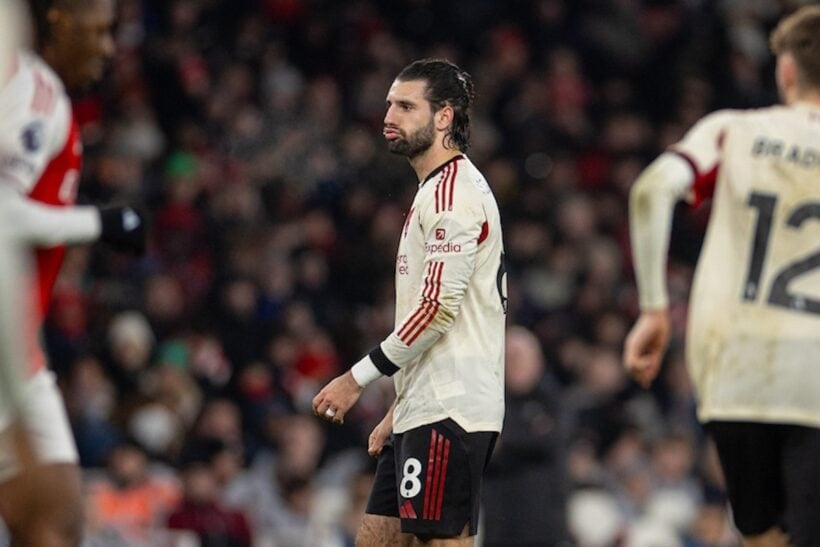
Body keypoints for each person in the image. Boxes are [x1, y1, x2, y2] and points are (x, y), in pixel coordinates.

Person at [623, 6, 820, 547]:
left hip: (737, 370)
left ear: (785, 71)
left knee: (760, 534)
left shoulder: (733, 129)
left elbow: (651, 191)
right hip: (814, 374)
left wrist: (654, 310)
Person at [312, 58, 507, 546]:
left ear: (444, 117)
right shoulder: (434, 190)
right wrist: (401, 408)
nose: (388, 117)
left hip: (450, 411)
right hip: (423, 406)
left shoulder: (452, 196)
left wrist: (355, 379)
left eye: (405, 106)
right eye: (388, 105)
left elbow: (437, 310)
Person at [0, 1, 146, 545]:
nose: (107, 48)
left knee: (56, 525)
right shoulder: (32, 91)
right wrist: (100, 222)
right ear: (59, 18)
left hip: (17, 354)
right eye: (100, 30)